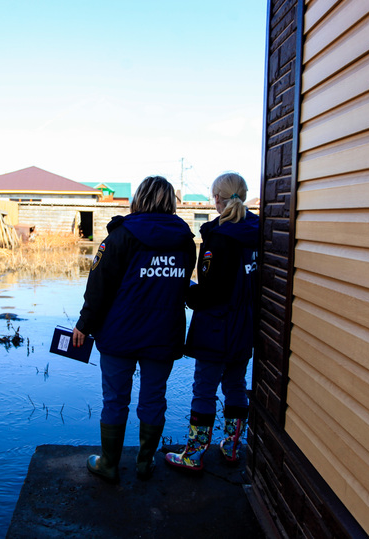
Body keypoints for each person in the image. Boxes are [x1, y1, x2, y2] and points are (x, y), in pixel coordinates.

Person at [73, 175, 196, 483]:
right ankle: (144, 464)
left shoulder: (119, 237)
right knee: (154, 398)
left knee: (115, 400)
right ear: (170, 201)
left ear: (138, 199)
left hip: (119, 334)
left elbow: (98, 287)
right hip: (163, 334)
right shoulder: (185, 240)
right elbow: (182, 285)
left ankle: (109, 465)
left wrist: (84, 324)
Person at [165, 172, 259, 471]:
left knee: (204, 390)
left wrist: (187, 291)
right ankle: (231, 448)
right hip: (244, 325)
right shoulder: (259, 232)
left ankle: (193, 455)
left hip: (215, 326)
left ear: (217, 198)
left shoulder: (217, 238)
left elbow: (210, 292)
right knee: (236, 385)